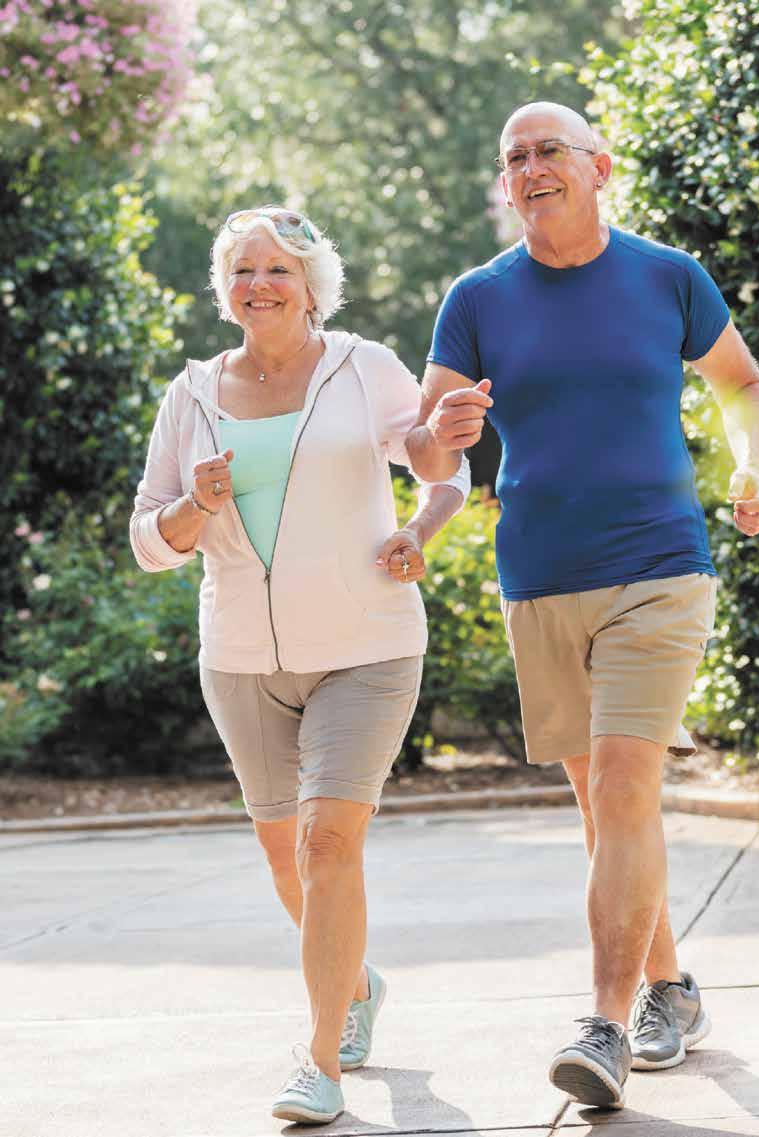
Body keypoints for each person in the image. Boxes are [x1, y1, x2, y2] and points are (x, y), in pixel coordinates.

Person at [409, 103, 759, 1109]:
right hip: (540, 574)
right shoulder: (477, 297)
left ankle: (605, 1027)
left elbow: (743, 384)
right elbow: (426, 446)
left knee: (621, 782)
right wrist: (442, 430)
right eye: (514, 157)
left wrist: (750, 466)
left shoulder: (667, 276)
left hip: (660, 564)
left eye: (549, 151)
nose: (531, 167)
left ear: (599, 167)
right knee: (607, 803)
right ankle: (672, 989)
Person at [129, 206, 470, 1125]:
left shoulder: (364, 367)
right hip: (242, 658)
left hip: (367, 645)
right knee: (287, 856)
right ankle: (355, 983)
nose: (259, 284)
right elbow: (148, 539)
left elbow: (437, 465)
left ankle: (319, 1060)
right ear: (224, 288)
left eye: (278, 269)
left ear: (312, 285)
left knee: (328, 844)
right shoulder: (191, 393)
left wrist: (421, 520)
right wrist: (193, 509)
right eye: (243, 270)